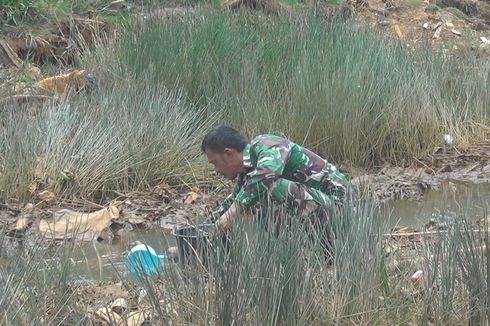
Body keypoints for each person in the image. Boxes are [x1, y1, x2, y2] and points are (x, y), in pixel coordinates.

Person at [168, 125, 351, 260]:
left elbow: (268, 174)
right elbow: (224, 211)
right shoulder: (247, 177)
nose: (216, 170)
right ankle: (301, 257)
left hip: (342, 212)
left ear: (229, 153)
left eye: (215, 162)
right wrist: (189, 246)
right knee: (251, 197)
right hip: (321, 218)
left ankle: (318, 253)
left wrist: (234, 211)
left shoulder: (265, 144)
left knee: (267, 189)